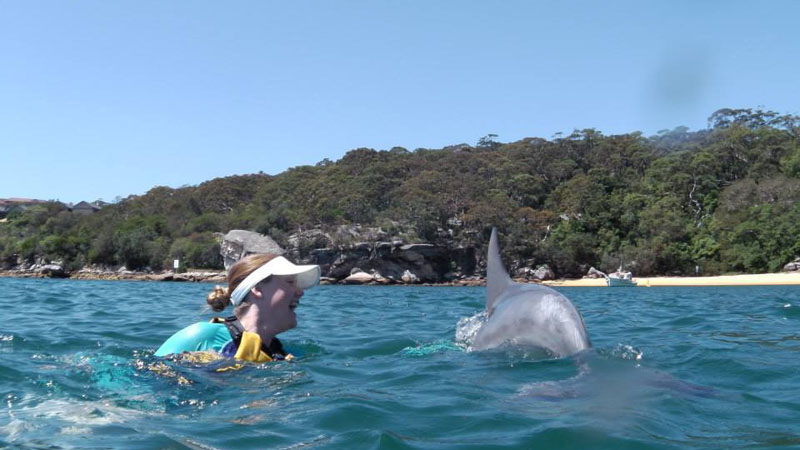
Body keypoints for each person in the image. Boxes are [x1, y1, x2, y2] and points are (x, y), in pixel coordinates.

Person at [155, 253, 321, 363]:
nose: (300, 292)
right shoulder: (204, 336)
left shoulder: (283, 355)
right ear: (257, 288)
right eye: (290, 282)